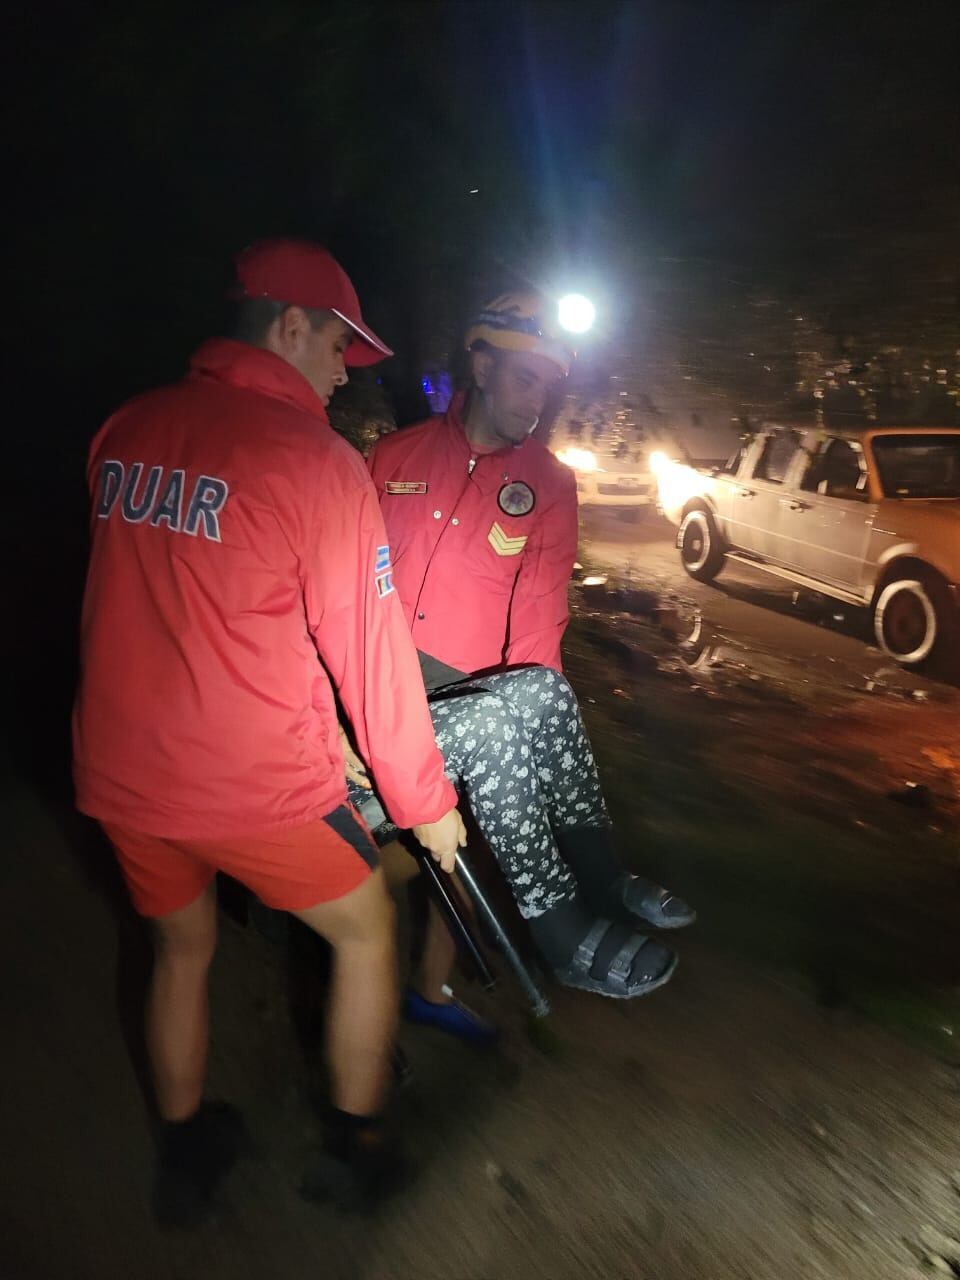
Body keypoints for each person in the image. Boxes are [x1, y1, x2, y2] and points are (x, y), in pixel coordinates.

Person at [72, 238, 466, 1221]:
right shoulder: (320, 465)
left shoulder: (126, 425)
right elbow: (374, 664)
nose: (346, 370)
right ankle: (358, 1143)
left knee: (180, 948)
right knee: (368, 926)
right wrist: (426, 804)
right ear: (288, 326)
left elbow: (183, 597)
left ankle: (186, 1150)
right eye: (338, 346)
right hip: (250, 786)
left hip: (122, 772)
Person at [352, 293, 695, 1032]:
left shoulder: (549, 483)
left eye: (550, 384)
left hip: (476, 696)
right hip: (375, 691)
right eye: (525, 379)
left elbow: (540, 623)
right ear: (482, 365)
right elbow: (340, 586)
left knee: (528, 723)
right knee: (391, 875)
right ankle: (370, 1021)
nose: (539, 401)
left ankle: (580, 891)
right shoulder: (392, 459)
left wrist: (534, 742)